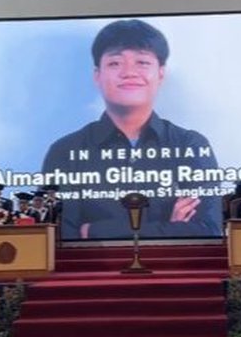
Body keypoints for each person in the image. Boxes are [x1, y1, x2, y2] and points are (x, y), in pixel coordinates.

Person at [42, 19, 222, 240]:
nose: (129, 72)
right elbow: (60, 237)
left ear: (161, 74)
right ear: (97, 75)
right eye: (115, 63)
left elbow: (208, 230)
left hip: (172, 270)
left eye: (142, 62)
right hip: (95, 272)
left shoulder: (190, 145)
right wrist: (169, 227)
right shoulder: (65, 151)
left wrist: (93, 230)